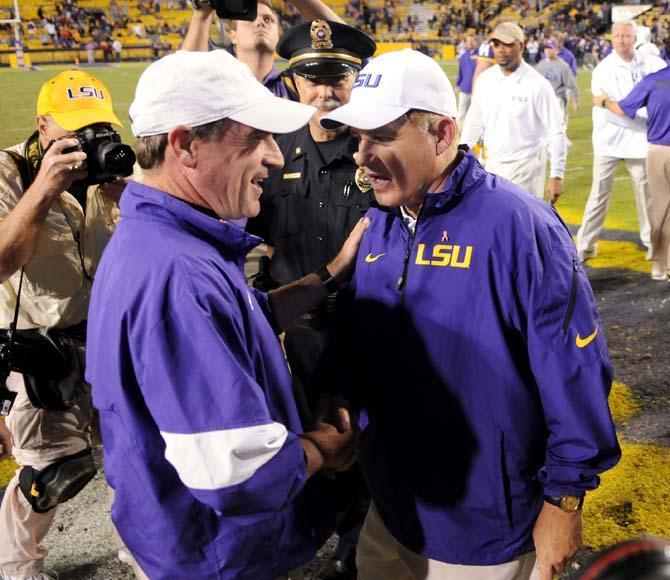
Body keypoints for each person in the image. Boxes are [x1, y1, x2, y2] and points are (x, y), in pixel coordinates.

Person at [319, 47, 621, 580]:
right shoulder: (380, 224)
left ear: (441, 135)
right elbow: (361, 343)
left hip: (486, 528)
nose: (361, 155)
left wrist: (566, 499)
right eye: (358, 138)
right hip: (391, 507)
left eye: (381, 136)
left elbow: (573, 370)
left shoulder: (520, 225)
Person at [86, 49, 367, 580]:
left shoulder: (161, 240)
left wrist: (326, 274)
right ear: (185, 144)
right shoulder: (179, 277)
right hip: (216, 555)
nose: (276, 157)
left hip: (184, 537)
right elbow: (241, 477)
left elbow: (235, 322)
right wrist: (323, 449)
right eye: (253, 138)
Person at [246, 19, 376, 579]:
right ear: (293, 83)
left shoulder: (376, 152)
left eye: (337, 78)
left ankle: (357, 550)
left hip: (367, 338)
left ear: (354, 83)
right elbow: (250, 246)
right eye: (312, 79)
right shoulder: (270, 153)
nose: (325, 91)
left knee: (367, 458)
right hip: (291, 344)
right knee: (299, 452)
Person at [0, 70, 126, 580]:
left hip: (108, 342)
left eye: (97, 128)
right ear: (42, 125)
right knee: (50, 470)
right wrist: (45, 190)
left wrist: (130, 200)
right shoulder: (8, 174)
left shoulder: (106, 177)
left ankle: (138, 549)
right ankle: (16, 566)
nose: (85, 142)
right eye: (73, 131)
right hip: (41, 347)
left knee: (131, 456)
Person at [575, 21, 666, 262]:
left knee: (647, 195)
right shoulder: (602, 70)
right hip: (609, 140)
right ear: (611, 40)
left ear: (634, 37)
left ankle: (652, 245)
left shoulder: (652, 63)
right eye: (617, 36)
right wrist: (647, 120)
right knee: (598, 194)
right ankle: (584, 245)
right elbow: (619, 112)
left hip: (640, 141)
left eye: (626, 35)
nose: (622, 40)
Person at [461, 22, 567, 202]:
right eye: (497, 44)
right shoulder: (485, 80)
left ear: (521, 46)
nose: (501, 50)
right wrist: (460, 156)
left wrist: (556, 175)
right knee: (494, 224)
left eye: (508, 44)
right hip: (491, 166)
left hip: (527, 168)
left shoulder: (538, 85)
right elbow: (474, 122)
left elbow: (556, 132)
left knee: (521, 226)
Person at [593, 65, 670, 280]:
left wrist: (603, 101)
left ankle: (660, 265)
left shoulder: (654, 80)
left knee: (661, 210)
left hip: (659, 152)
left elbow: (622, 109)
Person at [182, 0, 343, 99]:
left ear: (278, 35)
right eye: (250, 19)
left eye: (268, 19)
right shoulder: (217, 83)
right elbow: (183, 82)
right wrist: (202, 12)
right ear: (233, 36)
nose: (260, 23)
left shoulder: (297, 83)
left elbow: (350, 45)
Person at [535, 38, 580, 126]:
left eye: (550, 48)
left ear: (556, 49)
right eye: (546, 48)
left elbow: (571, 84)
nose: (547, 50)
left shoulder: (563, 66)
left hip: (557, 100)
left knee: (559, 129)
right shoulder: (540, 65)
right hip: (542, 100)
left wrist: (575, 99)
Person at [455, 33, 479, 130]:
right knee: (461, 113)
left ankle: (477, 135)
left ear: (476, 42)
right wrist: (457, 84)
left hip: (476, 90)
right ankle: (460, 133)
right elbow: (460, 71)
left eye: (471, 41)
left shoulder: (481, 55)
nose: (469, 43)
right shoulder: (464, 55)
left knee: (476, 114)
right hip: (464, 89)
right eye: (467, 41)